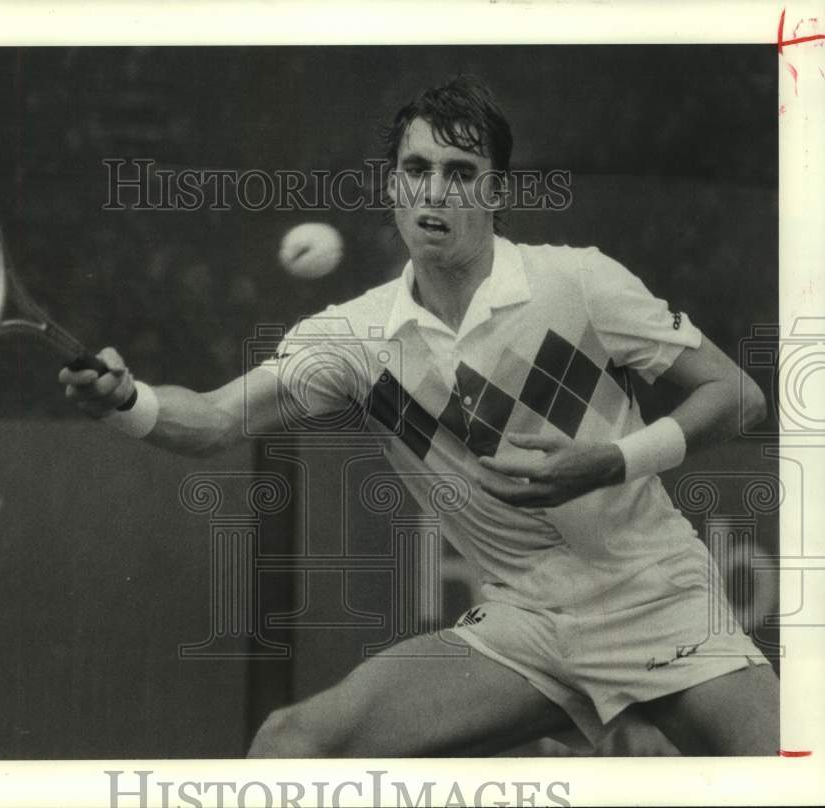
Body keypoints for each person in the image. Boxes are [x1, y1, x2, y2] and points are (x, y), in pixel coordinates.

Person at [59, 76, 779, 757]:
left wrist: (611, 461)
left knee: (788, 766)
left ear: (496, 192)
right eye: (417, 167)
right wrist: (128, 401)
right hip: (525, 626)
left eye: (462, 172)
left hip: (657, 600)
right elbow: (213, 420)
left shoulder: (578, 284)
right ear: (392, 186)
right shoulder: (357, 340)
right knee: (295, 744)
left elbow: (738, 396)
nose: (435, 190)